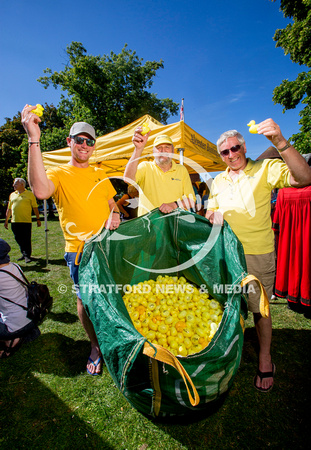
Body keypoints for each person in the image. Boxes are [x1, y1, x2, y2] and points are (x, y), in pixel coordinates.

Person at [205, 118, 311, 392]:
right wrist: (211, 214)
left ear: (244, 146)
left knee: (260, 311)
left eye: (235, 148)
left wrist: (280, 141)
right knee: (228, 307)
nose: (231, 155)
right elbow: (211, 210)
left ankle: (265, 358)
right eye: (224, 152)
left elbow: (305, 177)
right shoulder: (218, 181)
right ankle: (230, 351)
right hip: (226, 256)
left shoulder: (266, 168)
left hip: (257, 254)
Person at [21, 105, 120, 375]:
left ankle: (115, 341)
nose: (85, 145)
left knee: (113, 297)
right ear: (70, 142)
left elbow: (113, 204)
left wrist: (115, 214)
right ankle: (95, 347)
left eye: (90, 141)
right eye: (80, 140)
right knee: (86, 302)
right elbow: (40, 190)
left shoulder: (100, 172)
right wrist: (34, 138)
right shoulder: (58, 173)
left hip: (109, 248)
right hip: (80, 251)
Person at [124, 129, 196, 216]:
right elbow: (128, 179)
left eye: (167, 147)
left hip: (174, 224)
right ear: (153, 152)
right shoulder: (145, 167)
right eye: (159, 148)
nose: (163, 150)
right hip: (149, 225)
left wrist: (174, 204)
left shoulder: (182, 169)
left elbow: (191, 200)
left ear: (173, 151)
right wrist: (138, 149)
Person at [0, 239, 40, 359]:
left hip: (14, 325)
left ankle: (10, 341)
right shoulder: (15, 267)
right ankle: (28, 333)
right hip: (31, 317)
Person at [4, 178, 41, 263]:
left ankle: (27, 255)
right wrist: (6, 220)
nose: (14, 185)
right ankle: (24, 253)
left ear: (22, 184)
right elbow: (9, 209)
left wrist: (38, 219)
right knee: (18, 238)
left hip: (26, 221)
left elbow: (35, 208)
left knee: (26, 239)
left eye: (15, 184)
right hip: (14, 221)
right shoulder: (12, 195)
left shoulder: (30, 194)